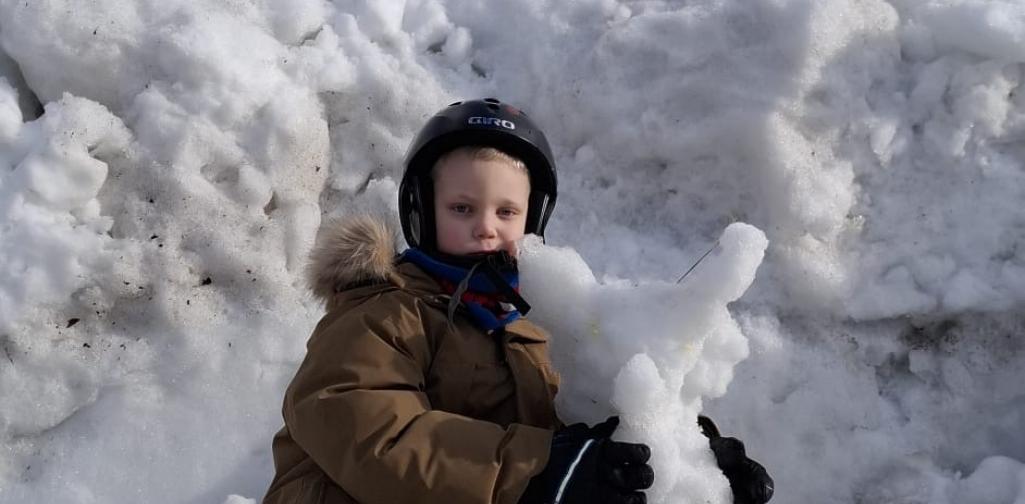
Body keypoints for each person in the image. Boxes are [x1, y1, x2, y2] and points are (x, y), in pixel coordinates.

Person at [262, 99, 771, 504]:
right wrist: (536, 472)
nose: (486, 227)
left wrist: (679, 457)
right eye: (462, 208)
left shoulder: (527, 335)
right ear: (422, 211)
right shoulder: (381, 312)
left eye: (506, 211)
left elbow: (570, 443)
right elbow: (366, 428)